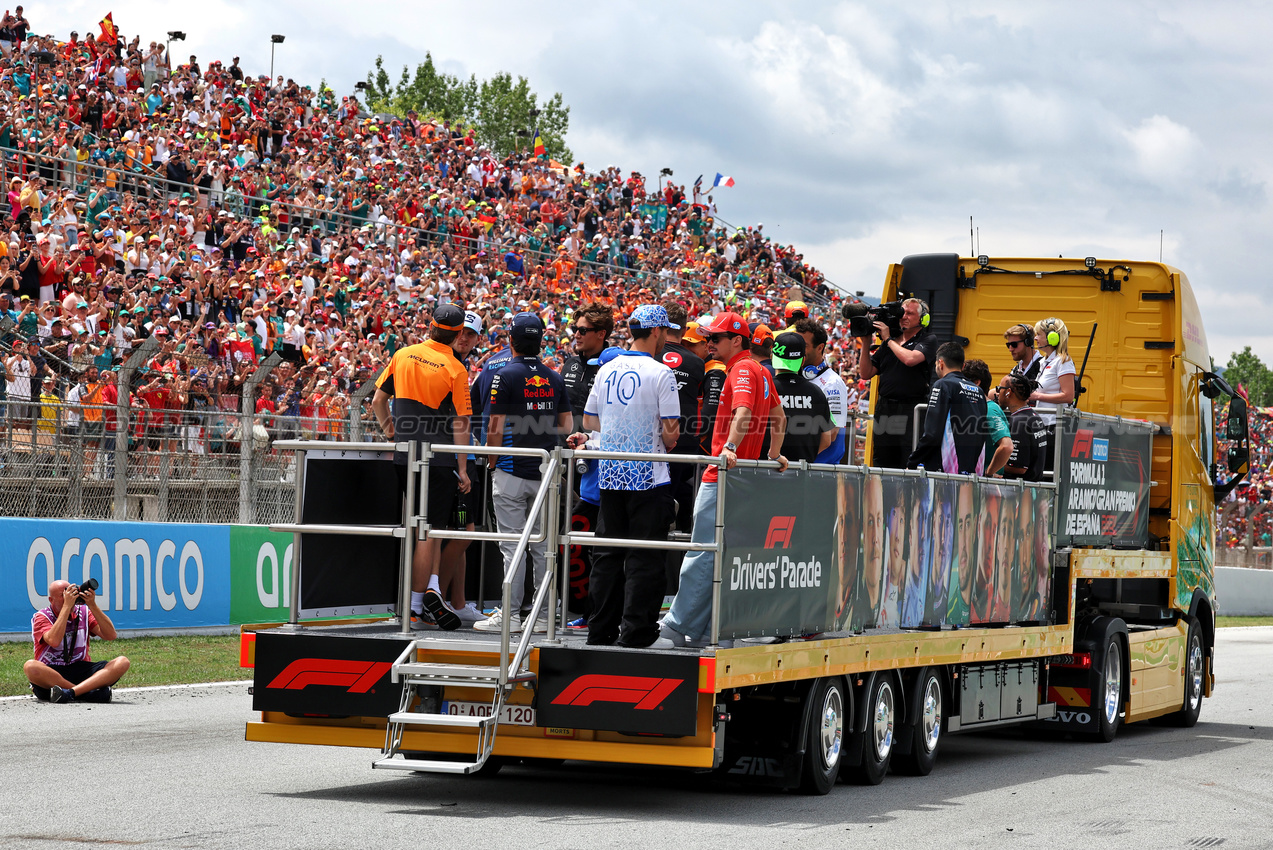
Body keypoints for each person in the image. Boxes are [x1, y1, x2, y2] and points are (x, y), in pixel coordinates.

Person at [661, 311, 788, 648]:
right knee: (721, 554)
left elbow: (745, 412)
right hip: (744, 477)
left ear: (736, 341)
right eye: (709, 338)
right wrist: (773, 453)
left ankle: (676, 626)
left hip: (725, 474)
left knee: (702, 552)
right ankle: (706, 629)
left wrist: (730, 447)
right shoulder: (761, 370)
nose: (709, 343)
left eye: (715, 339)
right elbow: (779, 416)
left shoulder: (743, 369)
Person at [573, 304, 680, 648]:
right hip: (648, 477)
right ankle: (637, 632)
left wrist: (617, 430)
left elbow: (589, 422)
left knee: (606, 558)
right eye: (665, 331)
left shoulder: (607, 369)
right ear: (656, 332)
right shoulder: (661, 373)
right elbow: (671, 435)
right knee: (645, 558)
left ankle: (599, 630)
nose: (666, 337)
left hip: (611, 474)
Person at [371, 303, 472, 631]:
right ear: (457, 335)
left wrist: (390, 432)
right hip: (439, 458)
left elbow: (376, 400)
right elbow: (462, 422)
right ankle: (415, 606)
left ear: (430, 326)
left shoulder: (402, 354)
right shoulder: (455, 368)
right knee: (429, 532)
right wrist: (464, 467)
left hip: (404, 454)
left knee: (420, 528)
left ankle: (431, 593)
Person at [476, 313, 570, 634]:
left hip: (511, 469)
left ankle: (511, 616)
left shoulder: (504, 375)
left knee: (512, 546)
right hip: (545, 471)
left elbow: (494, 425)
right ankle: (544, 617)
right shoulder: (555, 377)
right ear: (541, 340)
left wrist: (491, 459)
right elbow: (567, 426)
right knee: (543, 547)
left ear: (511, 340)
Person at [858, 298, 936, 468]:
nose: (904, 316)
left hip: (911, 409)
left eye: (910, 313)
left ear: (923, 319)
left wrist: (887, 340)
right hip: (885, 408)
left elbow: (910, 359)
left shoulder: (928, 339)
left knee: (908, 460)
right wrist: (865, 343)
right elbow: (865, 373)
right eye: (903, 312)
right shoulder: (890, 342)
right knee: (882, 460)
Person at [24, 579, 130, 703]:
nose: (68, 597)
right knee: (30, 666)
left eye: (70, 593)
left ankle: (70, 693)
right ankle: (87, 693)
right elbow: (54, 641)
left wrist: (92, 605)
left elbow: (110, 635)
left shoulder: (83, 613)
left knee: (122, 662)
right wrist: (67, 607)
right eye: (62, 595)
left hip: (80, 668)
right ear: (51, 600)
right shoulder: (42, 617)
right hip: (52, 674)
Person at [660, 301, 705, 535]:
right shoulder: (698, 363)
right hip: (684, 444)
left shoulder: (649, 356)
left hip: (652, 441)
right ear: (684, 329)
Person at [908, 342, 987, 475]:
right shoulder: (978, 391)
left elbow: (932, 433)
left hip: (947, 469)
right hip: (974, 468)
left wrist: (913, 461)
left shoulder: (942, 385)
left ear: (940, 363)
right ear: (962, 366)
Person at [771, 331, 834, 463]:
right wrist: (806, 456)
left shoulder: (764, 389)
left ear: (773, 357)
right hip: (802, 470)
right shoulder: (817, 393)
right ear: (803, 360)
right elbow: (826, 440)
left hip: (762, 469)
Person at [794, 318, 849, 464]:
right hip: (800, 466)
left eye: (803, 346)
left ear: (819, 348)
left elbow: (832, 433)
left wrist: (797, 456)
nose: (797, 350)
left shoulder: (832, 383)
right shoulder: (795, 376)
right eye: (796, 344)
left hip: (821, 469)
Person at [1030, 317, 1076, 471]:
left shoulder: (1063, 361)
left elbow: (1068, 396)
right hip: (1042, 424)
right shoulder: (1044, 362)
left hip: (1054, 426)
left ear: (1052, 337)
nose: (1035, 338)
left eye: (1039, 334)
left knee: (1048, 471)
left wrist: (1037, 396)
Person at [560, 301, 612, 433]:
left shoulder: (613, 367)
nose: (576, 335)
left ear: (601, 334)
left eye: (582, 331)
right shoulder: (570, 364)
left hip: (595, 450)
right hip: (563, 449)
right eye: (575, 329)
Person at [961, 359, 1014, 477]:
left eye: (962, 382)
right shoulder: (977, 408)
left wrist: (989, 473)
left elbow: (1007, 446)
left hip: (985, 488)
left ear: (976, 383)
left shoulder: (989, 410)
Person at [996, 372, 1047, 481]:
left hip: (1019, 492)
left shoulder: (1019, 421)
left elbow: (1018, 467)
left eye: (999, 388)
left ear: (1008, 392)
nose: (997, 393)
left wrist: (989, 467)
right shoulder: (1033, 416)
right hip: (1032, 488)